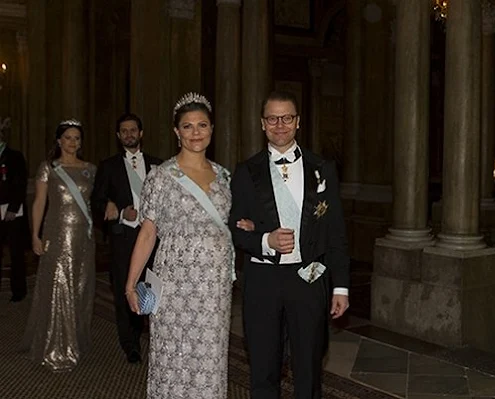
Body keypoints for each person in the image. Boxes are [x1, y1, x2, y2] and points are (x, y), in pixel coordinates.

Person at [229, 90, 351, 399]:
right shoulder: (245, 172)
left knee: (308, 368)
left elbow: (335, 231)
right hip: (263, 280)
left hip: (309, 277)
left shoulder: (322, 169)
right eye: (272, 118)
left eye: (286, 118)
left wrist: (340, 287)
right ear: (262, 123)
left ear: (298, 122)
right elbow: (233, 229)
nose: (279, 125)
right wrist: (265, 240)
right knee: (263, 367)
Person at [125, 93, 241, 398]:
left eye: (202, 125)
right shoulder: (161, 177)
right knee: (173, 354)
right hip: (175, 282)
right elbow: (148, 232)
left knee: (210, 354)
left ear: (212, 129)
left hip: (214, 285)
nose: (196, 132)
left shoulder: (225, 177)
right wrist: (130, 283)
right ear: (176, 132)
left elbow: (233, 223)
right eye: (187, 126)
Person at [21, 119, 96, 371]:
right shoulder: (49, 168)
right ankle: (56, 346)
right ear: (59, 141)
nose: (72, 142)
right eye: (68, 137)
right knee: (59, 286)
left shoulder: (90, 169)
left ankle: (75, 339)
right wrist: (35, 235)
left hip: (84, 237)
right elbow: (39, 203)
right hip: (57, 234)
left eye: (77, 138)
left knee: (81, 286)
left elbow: (95, 202)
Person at [91, 113, 162, 363]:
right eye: (124, 131)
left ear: (141, 133)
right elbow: (96, 202)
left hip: (155, 241)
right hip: (124, 239)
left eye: (133, 130)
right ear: (118, 136)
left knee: (154, 290)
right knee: (127, 289)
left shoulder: (158, 165)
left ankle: (157, 340)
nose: (129, 134)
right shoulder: (108, 166)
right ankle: (130, 344)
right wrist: (119, 212)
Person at [0, 128, 28, 302]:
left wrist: (13, 207)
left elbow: (20, 183)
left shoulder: (15, 156)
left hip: (12, 212)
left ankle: (19, 291)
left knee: (16, 253)